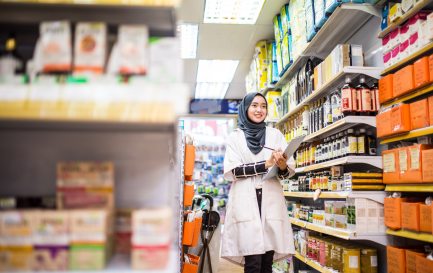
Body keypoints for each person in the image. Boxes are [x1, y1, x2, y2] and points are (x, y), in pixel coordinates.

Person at [221, 92, 296, 273]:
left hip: (270, 200)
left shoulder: (275, 135)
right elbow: (234, 171)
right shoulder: (235, 137)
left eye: (263, 106)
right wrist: (266, 163)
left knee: (267, 262)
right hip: (246, 200)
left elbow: (285, 174)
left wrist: (282, 164)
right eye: (254, 105)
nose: (259, 110)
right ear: (246, 108)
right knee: (253, 262)